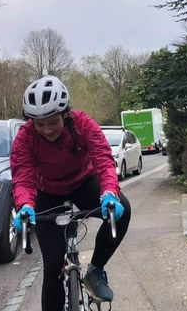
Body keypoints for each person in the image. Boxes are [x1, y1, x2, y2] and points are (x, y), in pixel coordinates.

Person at [10, 75, 131, 311]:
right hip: (48, 191)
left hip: (83, 182)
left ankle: (95, 270)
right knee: (53, 265)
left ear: (65, 114)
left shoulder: (83, 124)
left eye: (52, 122)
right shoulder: (25, 137)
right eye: (39, 124)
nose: (46, 129)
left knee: (122, 211)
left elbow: (104, 161)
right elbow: (23, 175)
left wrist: (109, 193)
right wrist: (24, 205)